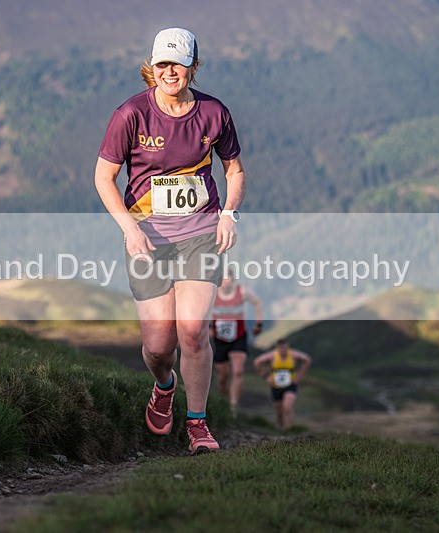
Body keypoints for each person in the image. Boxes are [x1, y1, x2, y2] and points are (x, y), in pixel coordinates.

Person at [94, 28, 247, 454]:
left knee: (194, 331)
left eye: (178, 64)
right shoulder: (131, 115)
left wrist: (229, 213)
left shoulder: (214, 113)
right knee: (159, 346)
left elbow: (234, 169)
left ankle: (197, 424)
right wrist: (129, 228)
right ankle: (164, 385)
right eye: (162, 63)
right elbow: (103, 177)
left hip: (201, 234)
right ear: (151, 66)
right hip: (148, 239)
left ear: (193, 67)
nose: (169, 72)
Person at [210, 268, 264, 416]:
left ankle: (233, 408)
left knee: (238, 372)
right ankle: (224, 402)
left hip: (238, 337)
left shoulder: (242, 292)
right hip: (219, 339)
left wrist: (259, 324)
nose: (226, 283)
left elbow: (257, 302)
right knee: (223, 377)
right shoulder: (212, 292)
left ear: (233, 280)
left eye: (229, 279)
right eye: (223, 279)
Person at [252, 338, 312, 431]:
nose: (283, 349)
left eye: (285, 347)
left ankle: (289, 430)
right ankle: (281, 430)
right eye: (281, 347)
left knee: (287, 407)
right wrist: (266, 376)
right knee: (279, 412)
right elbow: (257, 362)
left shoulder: (293, 355)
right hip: (276, 386)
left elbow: (307, 360)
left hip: (290, 385)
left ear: (288, 347)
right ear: (277, 347)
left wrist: (300, 375)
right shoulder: (272, 355)